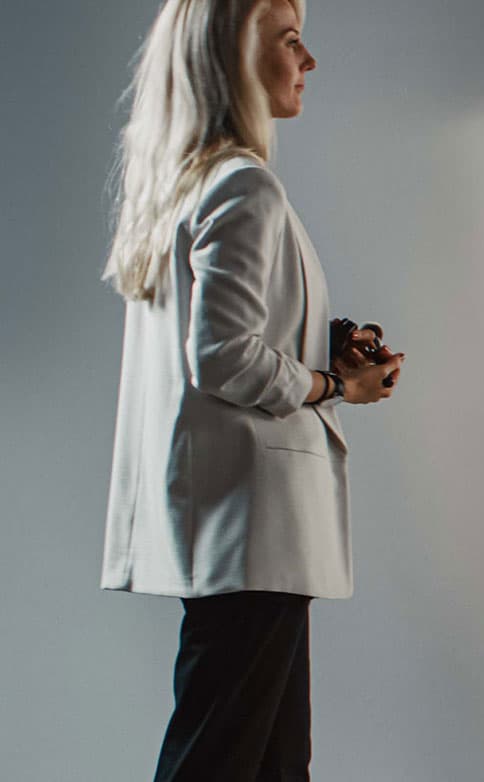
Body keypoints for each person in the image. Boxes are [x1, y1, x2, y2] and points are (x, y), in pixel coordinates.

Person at [100, 1, 405, 779]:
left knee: (270, 765)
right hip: (254, 531)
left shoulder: (183, 185)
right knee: (226, 761)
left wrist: (319, 343)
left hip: (230, 532)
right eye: (291, 40)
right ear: (235, 53)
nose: (310, 61)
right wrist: (336, 381)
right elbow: (225, 358)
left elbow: (219, 341)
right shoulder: (244, 186)